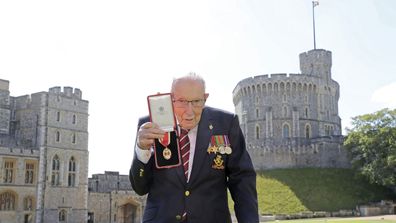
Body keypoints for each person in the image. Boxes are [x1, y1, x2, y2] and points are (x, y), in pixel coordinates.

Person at [129, 73, 259, 223]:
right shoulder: (151, 125)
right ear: (171, 99)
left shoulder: (226, 123)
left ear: (205, 97)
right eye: (182, 101)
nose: (189, 111)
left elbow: (242, 179)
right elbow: (140, 188)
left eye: (197, 101)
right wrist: (142, 150)